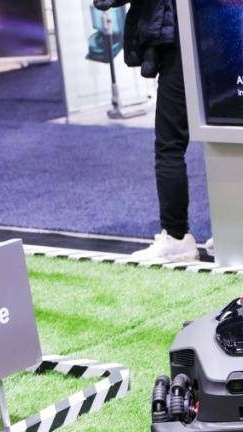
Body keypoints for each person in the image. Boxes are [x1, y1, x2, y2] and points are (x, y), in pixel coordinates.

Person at [95, 0, 204, 262]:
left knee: (170, 144)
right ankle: (233, 228)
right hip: (216, 29)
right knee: (226, 134)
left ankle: (176, 237)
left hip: (180, 40)